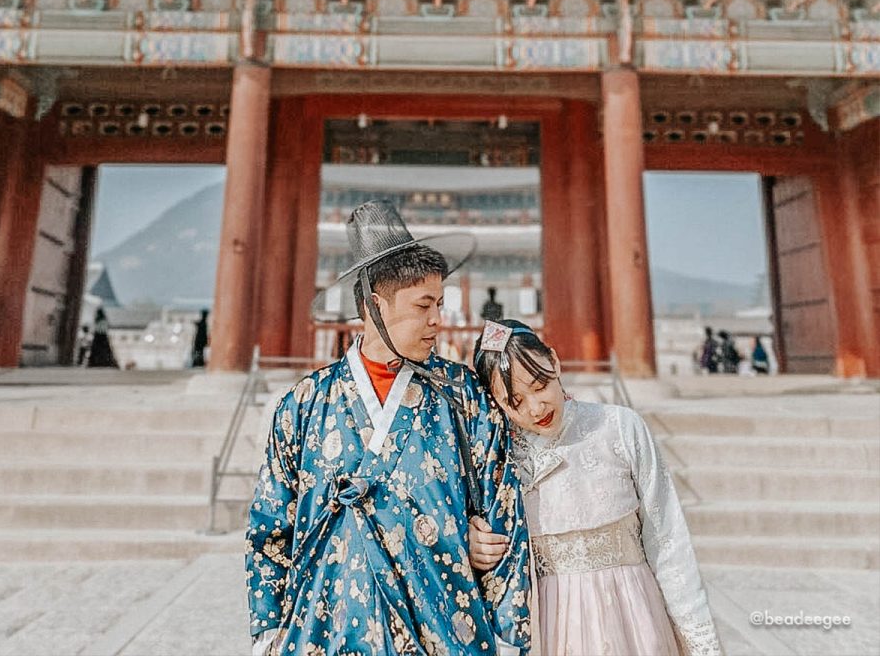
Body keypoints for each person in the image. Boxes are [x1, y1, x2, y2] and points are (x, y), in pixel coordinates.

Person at [246, 199, 530, 656]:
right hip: (325, 627)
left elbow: (503, 508)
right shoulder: (303, 403)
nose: (439, 319)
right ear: (375, 306)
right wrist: (267, 632)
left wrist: (509, 631)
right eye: (424, 306)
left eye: (440, 303)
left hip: (443, 627)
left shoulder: (462, 396)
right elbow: (269, 526)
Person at [469, 320, 722, 656]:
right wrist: (472, 540)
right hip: (552, 627)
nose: (535, 407)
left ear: (555, 362)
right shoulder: (495, 462)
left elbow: (668, 541)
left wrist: (701, 641)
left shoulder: (619, 427)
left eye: (540, 385)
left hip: (635, 615)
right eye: (515, 401)